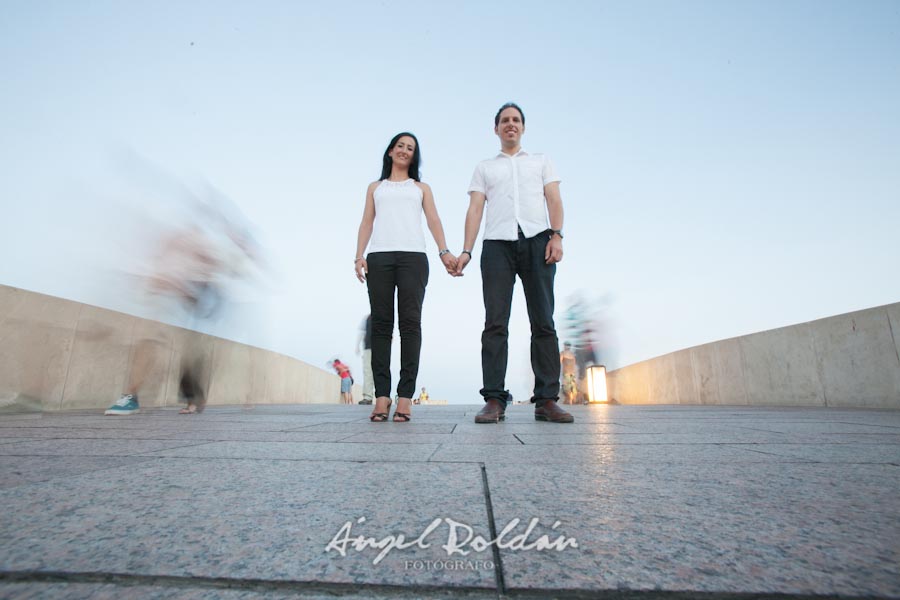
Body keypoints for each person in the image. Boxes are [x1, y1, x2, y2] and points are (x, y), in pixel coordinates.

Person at [453, 102, 574, 424]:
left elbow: (554, 199)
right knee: (495, 323)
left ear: (523, 127)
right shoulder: (485, 167)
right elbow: (475, 209)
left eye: (516, 120)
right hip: (496, 246)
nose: (511, 124)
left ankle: (546, 399)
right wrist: (466, 251)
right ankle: (494, 399)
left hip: (538, 241)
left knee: (543, 322)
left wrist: (557, 236)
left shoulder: (541, 162)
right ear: (496, 129)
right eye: (505, 120)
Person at [354, 132, 457, 422]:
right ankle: (382, 396)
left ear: (414, 156)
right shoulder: (376, 187)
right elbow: (366, 222)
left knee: (410, 325)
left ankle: (405, 397)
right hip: (380, 257)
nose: (404, 151)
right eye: (400, 146)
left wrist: (444, 251)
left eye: (410, 148)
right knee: (382, 326)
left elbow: (434, 219)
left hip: (413, 258)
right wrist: (359, 255)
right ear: (390, 151)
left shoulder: (421, 188)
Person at [356, 314, 374, 404]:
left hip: (381, 348)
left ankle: (382, 396)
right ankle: (368, 396)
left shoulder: (384, 314)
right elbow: (362, 332)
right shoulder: (367, 317)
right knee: (368, 371)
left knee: (380, 371)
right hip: (368, 347)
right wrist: (357, 346)